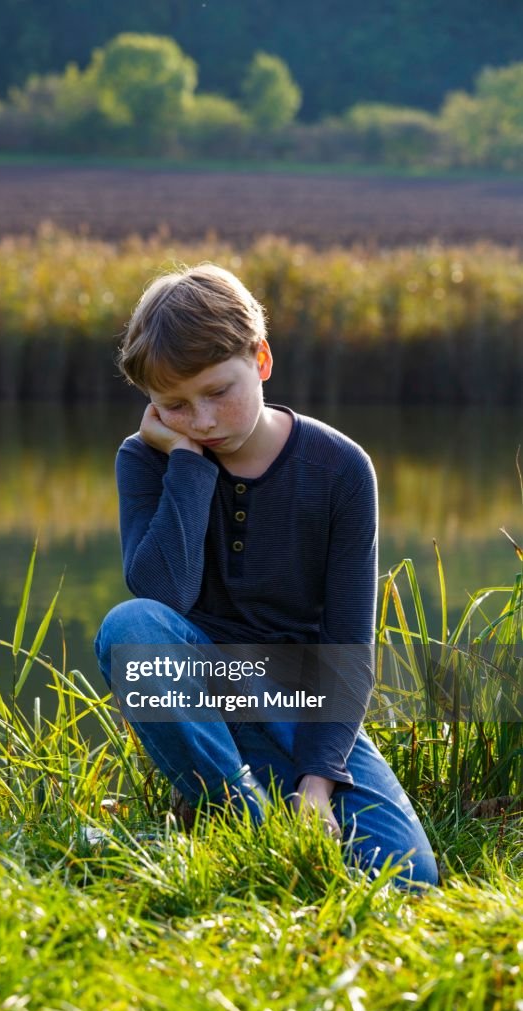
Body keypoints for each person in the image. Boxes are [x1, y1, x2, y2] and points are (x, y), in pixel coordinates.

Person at [94, 263, 438, 886]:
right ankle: (248, 827)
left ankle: (264, 810)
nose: (201, 421)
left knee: (408, 876)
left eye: (218, 391)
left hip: (300, 702)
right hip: (199, 692)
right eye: (173, 405)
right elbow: (164, 594)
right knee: (132, 627)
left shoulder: (341, 470)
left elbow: (348, 647)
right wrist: (187, 466)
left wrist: (317, 784)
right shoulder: (147, 458)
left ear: (261, 359)